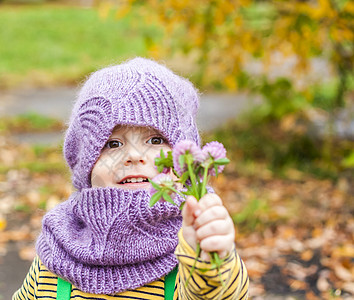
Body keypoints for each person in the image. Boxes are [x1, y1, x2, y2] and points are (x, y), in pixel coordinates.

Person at [13, 58, 249, 300]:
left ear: (185, 159)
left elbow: (218, 294)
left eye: (155, 140)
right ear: (86, 165)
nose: (135, 156)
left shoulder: (192, 243)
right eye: (113, 144)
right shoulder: (59, 250)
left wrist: (207, 259)